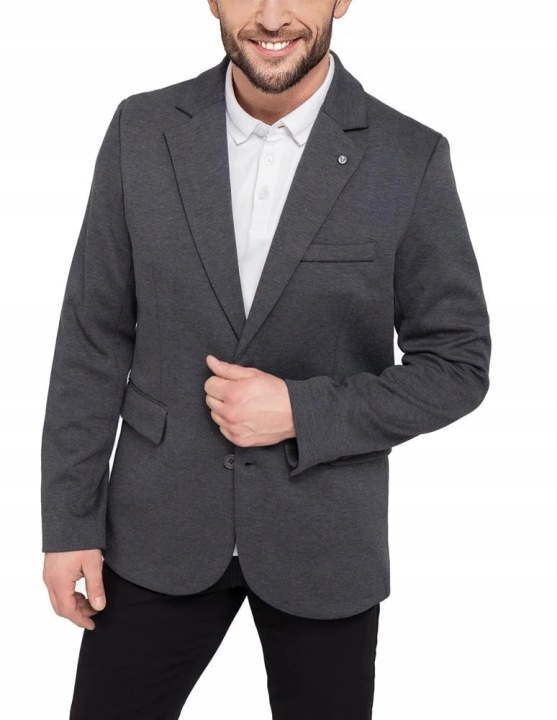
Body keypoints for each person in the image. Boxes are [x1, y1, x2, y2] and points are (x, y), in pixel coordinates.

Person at [41, 1, 491, 718]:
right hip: (156, 529)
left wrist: (302, 411)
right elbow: (93, 337)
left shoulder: (408, 156)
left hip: (324, 540)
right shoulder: (141, 130)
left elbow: (458, 363)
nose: (273, 16)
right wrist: (69, 525)